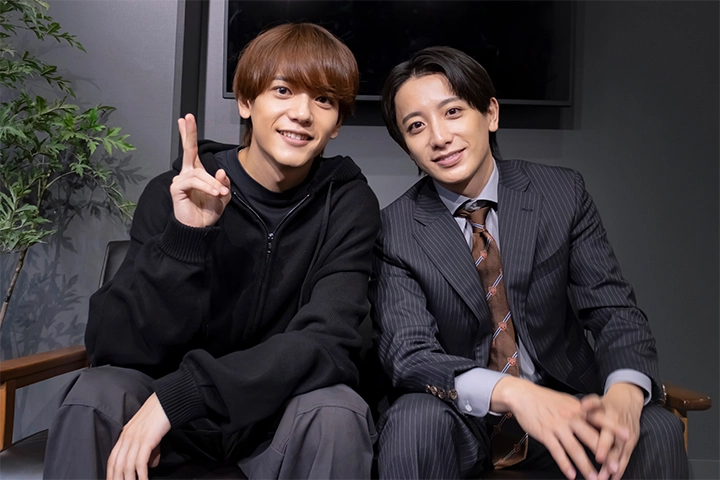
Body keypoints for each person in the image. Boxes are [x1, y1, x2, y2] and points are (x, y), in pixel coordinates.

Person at [44, 23, 380, 480]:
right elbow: (112, 345)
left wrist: (188, 393)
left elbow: (329, 341)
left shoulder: (348, 203)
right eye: (283, 90)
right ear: (246, 102)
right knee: (95, 394)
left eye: (323, 100)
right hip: (170, 431)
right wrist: (186, 238)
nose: (302, 113)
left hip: (276, 424)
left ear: (337, 123)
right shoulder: (174, 191)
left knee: (337, 412)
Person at [369, 46, 687, 480]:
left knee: (656, 428)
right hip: (460, 419)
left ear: (491, 114)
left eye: (453, 112)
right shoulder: (394, 229)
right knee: (413, 423)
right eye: (416, 126)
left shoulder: (561, 193)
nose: (438, 137)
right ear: (407, 147)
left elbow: (614, 311)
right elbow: (409, 354)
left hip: (563, 407)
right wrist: (510, 392)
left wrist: (626, 392)